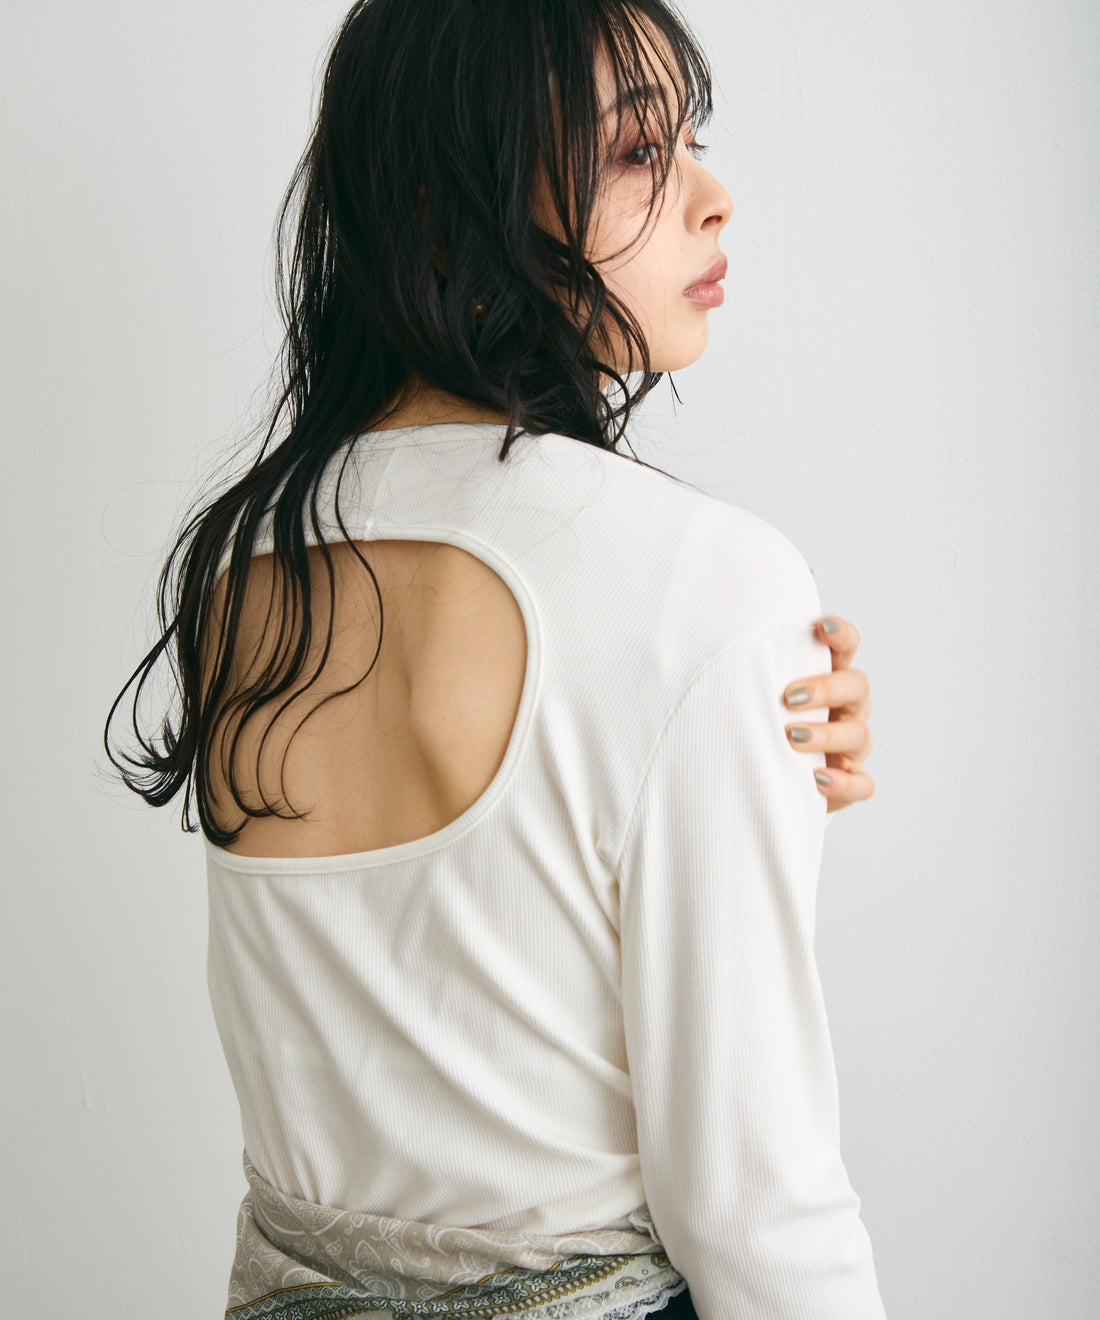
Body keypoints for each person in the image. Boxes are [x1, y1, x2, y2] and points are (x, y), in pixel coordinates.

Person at [105, 0, 885, 1316]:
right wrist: (723, 692)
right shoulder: (704, 582)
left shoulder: (248, 572)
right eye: (638, 152)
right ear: (450, 205)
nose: (713, 198)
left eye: (689, 143)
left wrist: (732, 745)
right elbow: (758, 1212)